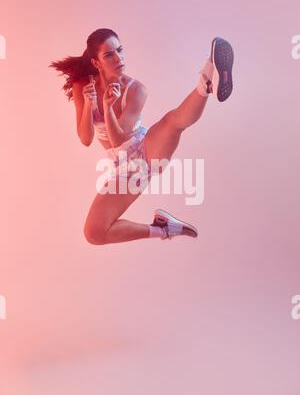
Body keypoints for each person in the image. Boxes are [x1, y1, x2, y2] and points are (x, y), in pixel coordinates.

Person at [49, 28, 234, 244]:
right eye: (109, 55)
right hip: (126, 167)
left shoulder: (136, 90)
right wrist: (90, 104)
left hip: (146, 148)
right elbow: (85, 138)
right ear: (96, 63)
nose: (118, 59)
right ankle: (163, 229)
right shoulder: (82, 85)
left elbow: (120, 139)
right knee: (94, 232)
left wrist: (107, 108)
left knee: (172, 122)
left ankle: (207, 78)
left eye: (120, 50)